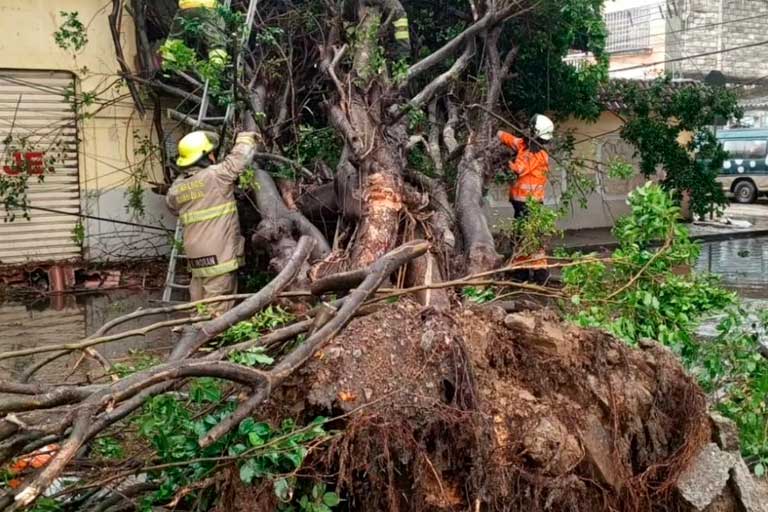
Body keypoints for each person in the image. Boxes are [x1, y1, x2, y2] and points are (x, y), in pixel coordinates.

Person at [166, 129, 258, 314]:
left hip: (196, 258)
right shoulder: (216, 176)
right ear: (206, 157)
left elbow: (173, 207)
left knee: (198, 305)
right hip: (219, 257)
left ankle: (194, 332)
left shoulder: (176, 189)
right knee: (216, 312)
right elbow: (239, 159)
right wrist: (246, 137)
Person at [497, 114, 555, 283]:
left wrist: (504, 161)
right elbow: (513, 140)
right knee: (520, 237)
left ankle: (540, 275)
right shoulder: (524, 146)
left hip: (530, 205)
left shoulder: (536, 154)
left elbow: (518, 169)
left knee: (530, 239)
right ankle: (521, 273)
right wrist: (499, 134)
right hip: (521, 204)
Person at [162, 0, 229, 70]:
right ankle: (216, 66)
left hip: (185, 7)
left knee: (175, 38)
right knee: (215, 40)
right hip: (207, 6)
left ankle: (169, 63)